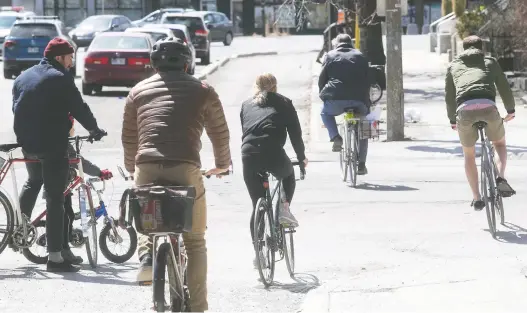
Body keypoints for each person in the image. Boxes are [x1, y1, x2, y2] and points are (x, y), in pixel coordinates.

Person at [122, 37, 230, 312]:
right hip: (185, 166)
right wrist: (222, 164)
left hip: (145, 164)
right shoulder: (203, 90)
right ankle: (197, 307)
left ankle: (147, 256)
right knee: (195, 241)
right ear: (187, 63)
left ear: (153, 64)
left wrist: (131, 168)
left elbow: (130, 137)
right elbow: (219, 131)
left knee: (148, 217)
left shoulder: (137, 91)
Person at [12, 37, 106, 272]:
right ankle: (55, 258)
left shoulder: (23, 76)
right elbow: (78, 106)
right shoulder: (60, 77)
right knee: (56, 197)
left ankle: (19, 232)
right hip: (51, 145)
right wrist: (94, 129)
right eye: (70, 57)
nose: (72, 61)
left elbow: (17, 106)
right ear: (59, 57)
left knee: (34, 181)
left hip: (27, 142)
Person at [14, 114, 113, 266]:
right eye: (71, 126)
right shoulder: (62, 142)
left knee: (34, 183)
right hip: (59, 186)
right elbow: (82, 163)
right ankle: (64, 250)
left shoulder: (46, 133)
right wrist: (99, 172)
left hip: (35, 155)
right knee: (66, 216)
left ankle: (19, 227)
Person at [445, 35, 516, 210]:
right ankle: (500, 176)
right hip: (488, 108)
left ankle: (477, 197)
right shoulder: (490, 62)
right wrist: (510, 110)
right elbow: (503, 87)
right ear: (481, 48)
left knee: (469, 154)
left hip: (464, 111)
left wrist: (452, 120)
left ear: (463, 49)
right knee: (499, 143)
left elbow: (449, 96)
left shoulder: (453, 66)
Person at [240, 73, 308, 247]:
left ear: (255, 86)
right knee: (288, 175)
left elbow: (246, 132)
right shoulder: (284, 102)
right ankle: (283, 210)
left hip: (248, 153)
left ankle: (258, 252)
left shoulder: (246, 105)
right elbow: (295, 135)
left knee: (257, 205)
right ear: (275, 86)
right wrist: (301, 159)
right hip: (273, 151)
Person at [318, 33, 371, 175]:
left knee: (324, 112)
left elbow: (322, 80)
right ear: (351, 44)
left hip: (335, 99)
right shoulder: (360, 56)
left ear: (336, 44)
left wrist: (324, 96)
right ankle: (361, 164)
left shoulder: (329, 56)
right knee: (364, 126)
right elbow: (368, 80)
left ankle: (335, 137)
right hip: (359, 100)